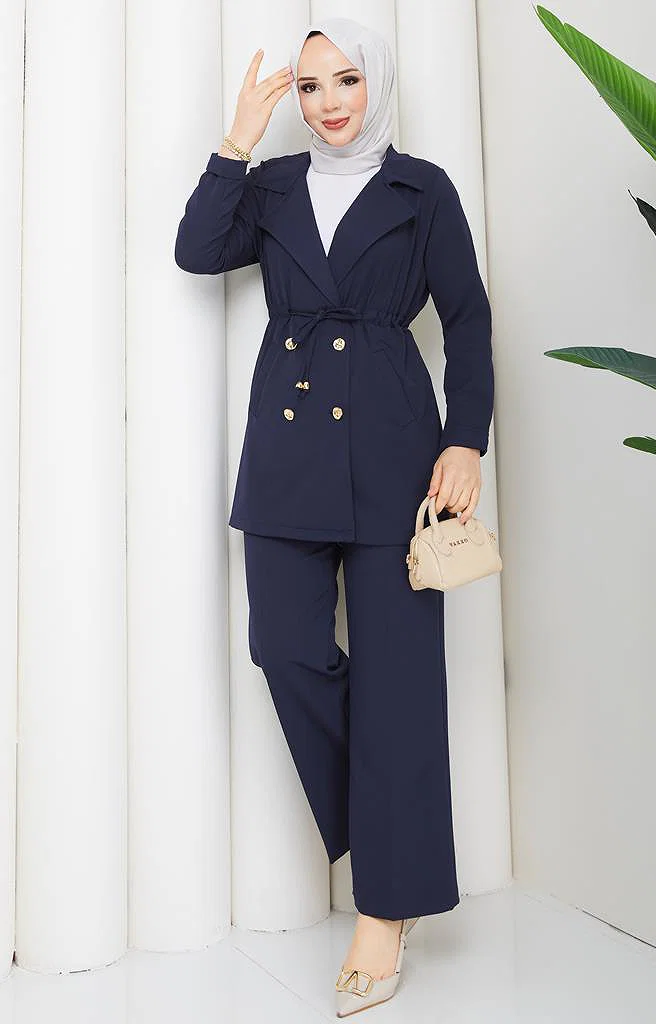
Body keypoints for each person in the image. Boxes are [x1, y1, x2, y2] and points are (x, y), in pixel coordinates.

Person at [175, 16, 494, 1017]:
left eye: (345, 79)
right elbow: (197, 251)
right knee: (282, 648)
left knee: (398, 678)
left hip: (396, 444)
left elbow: (468, 319)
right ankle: (390, 827)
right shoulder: (271, 185)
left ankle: (384, 909)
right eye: (309, 87)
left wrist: (464, 439)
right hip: (288, 443)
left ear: (375, 82)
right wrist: (236, 139)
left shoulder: (421, 189)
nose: (327, 102)